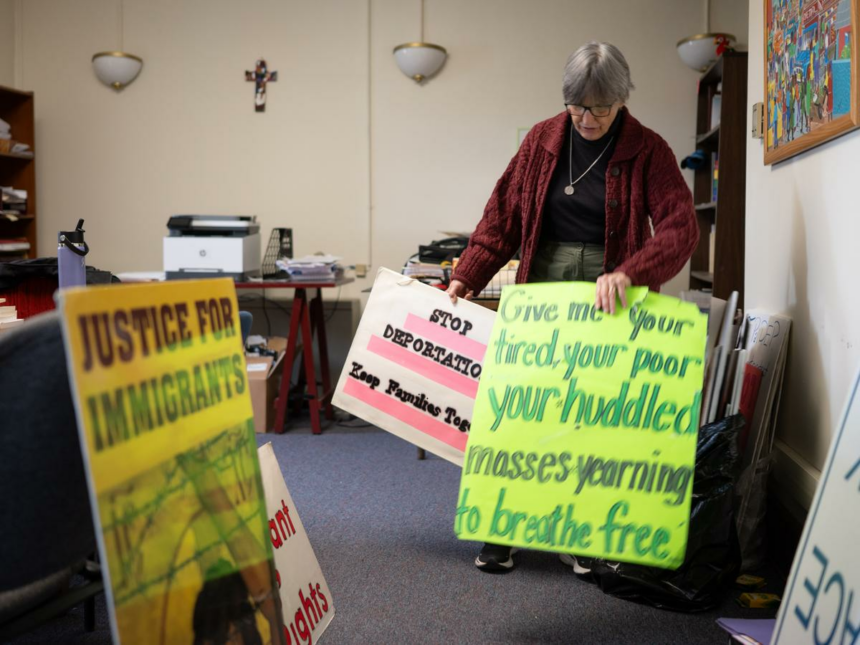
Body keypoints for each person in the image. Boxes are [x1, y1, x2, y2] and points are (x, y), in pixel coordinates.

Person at [447, 41, 698, 573]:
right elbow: (502, 216)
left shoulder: (648, 149)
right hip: (541, 286)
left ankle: (581, 532)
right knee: (521, 406)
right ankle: (501, 528)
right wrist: (468, 274)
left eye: (600, 108)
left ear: (623, 100)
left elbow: (681, 229)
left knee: (590, 416)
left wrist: (631, 272)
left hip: (611, 292)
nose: (587, 119)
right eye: (577, 106)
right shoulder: (540, 141)